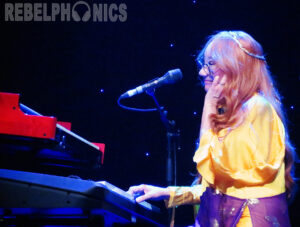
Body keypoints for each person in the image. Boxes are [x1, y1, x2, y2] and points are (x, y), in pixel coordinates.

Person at [128, 31, 296, 227]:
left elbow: (229, 180)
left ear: (237, 66)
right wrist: (169, 193)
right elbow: (221, 188)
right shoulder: (230, 113)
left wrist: (208, 109)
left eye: (211, 64)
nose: (201, 72)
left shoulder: (258, 108)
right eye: (203, 64)